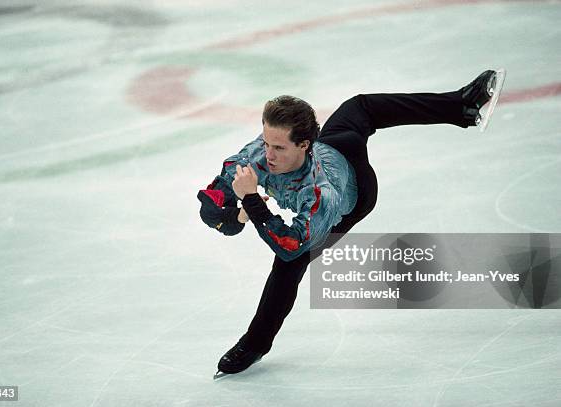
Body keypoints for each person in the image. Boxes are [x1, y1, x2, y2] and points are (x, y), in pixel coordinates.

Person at [197, 70, 502, 376]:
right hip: (336, 144)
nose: (268, 155)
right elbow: (210, 208)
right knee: (360, 107)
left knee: (288, 266)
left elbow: (290, 246)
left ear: (304, 144)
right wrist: (236, 216)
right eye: (266, 143)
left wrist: (251, 201)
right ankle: (462, 105)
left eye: (278, 148)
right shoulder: (256, 156)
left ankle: (254, 344)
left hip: (356, 194)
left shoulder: (321, 193)